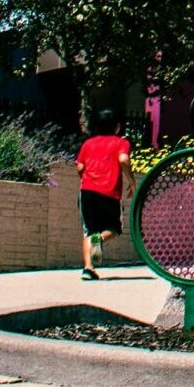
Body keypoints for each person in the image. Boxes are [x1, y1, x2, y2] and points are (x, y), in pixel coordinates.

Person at [74, 109, 131, 280]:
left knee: (88, 231)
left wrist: (88, 179)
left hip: (87, 192)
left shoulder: (88, 143)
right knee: (113, 229)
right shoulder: (121, 143)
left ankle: (88, 268)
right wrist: (132, 181)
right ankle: (100, 238)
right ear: (117, 127)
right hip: (109, 193)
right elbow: (123, 160)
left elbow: (80, 167)